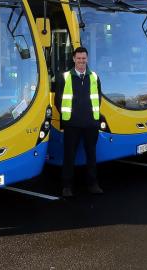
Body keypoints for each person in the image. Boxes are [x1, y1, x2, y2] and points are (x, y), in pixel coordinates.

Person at [54, 47, 103, 198]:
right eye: (79, 58)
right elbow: (58, 101)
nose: (81, 61)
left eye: (84, 58)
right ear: (74, 59)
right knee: (69, 156)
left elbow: (98, 98)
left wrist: (92, 117)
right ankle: (67, 187)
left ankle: (93, 184)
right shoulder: (65, 77)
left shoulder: (94, 77)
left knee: (91, 155)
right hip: (72, 125)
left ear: (87, 59)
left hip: (91, 124)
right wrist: (70, 116)